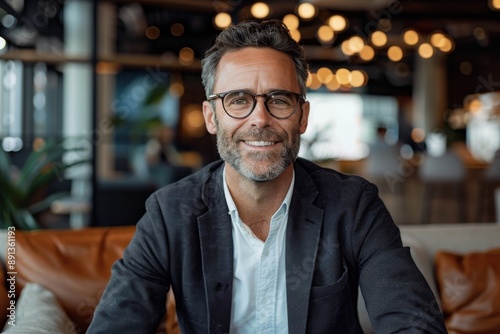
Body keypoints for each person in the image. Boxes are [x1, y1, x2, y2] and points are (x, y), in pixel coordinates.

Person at [88, 20, 446, 333]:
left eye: (278, 99)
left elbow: (412, 322)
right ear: (212, 117)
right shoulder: (169, 214)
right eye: (239, 100)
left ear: (302, 116)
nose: (260, 119)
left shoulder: (353, 206)